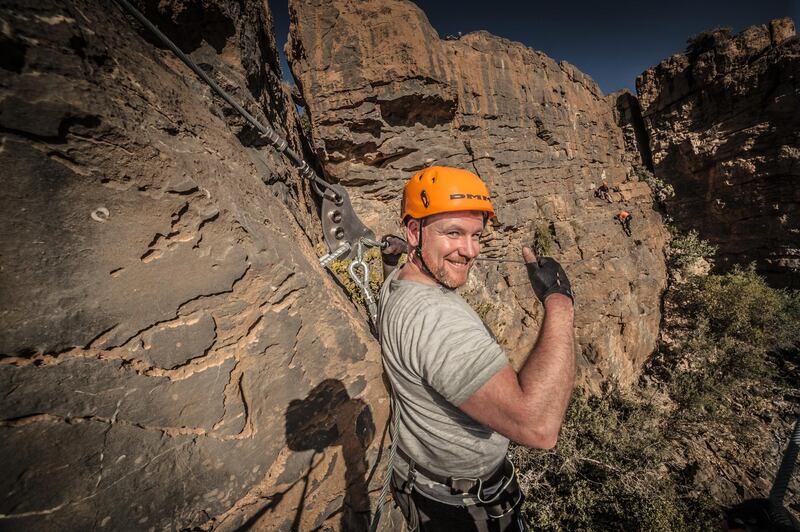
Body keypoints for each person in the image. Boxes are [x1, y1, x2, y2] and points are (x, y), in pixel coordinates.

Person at [377, 166, 575, 532]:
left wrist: (396, 255)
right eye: (453, 233)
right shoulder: (438, 320)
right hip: (463, 509)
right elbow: (539, 427)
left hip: (423, 483)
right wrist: (560, 300)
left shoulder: (399, 284)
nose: (469, 251)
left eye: (476, 236)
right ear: (414, 231)